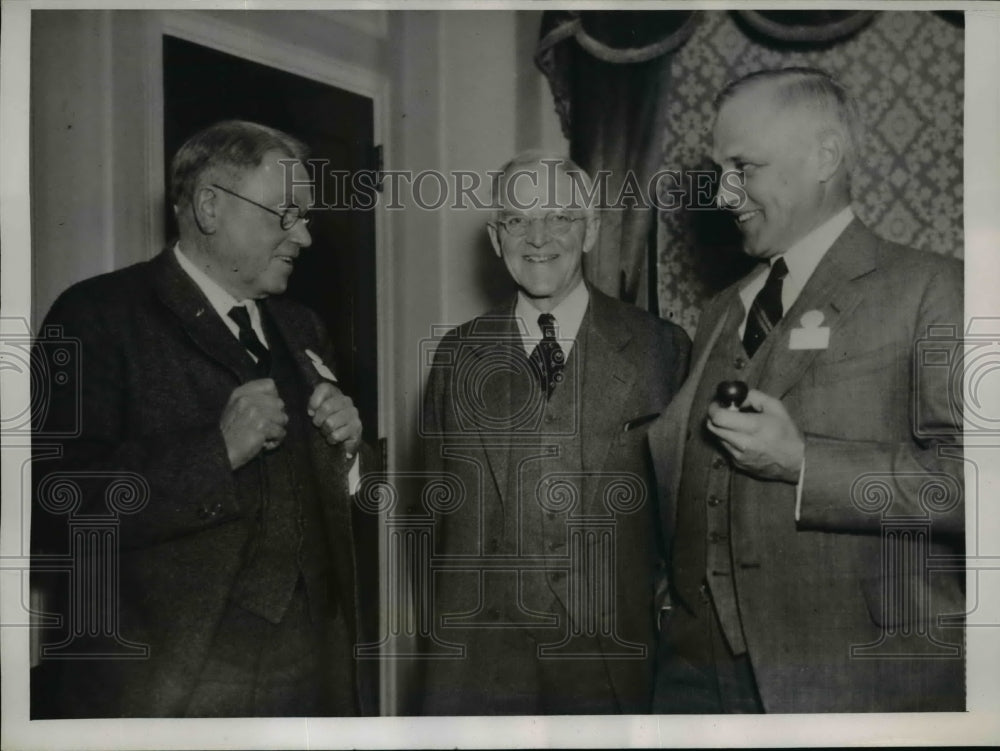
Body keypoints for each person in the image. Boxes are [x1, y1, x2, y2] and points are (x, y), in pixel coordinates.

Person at [649, 68, 964, 713]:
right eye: (718, 170)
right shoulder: (720, 311)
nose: (725, 192)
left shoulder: (933, 289)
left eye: (744, 166)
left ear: (825, 156)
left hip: (851, 682)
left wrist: (804, 464)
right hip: (694, 680)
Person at [31, 120, 367, 717]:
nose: (305, 237)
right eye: (285, 214)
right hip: (166, 687)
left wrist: (347, 455)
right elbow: (52, 508)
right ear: (210, 206)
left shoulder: (303, 328)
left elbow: (322, 503)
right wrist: (216, 452)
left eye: (306, 217)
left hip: (309, 677)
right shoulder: (96, 316)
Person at [415, 153, 691, 714]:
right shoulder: (456, 356)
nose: (537, 238)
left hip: (612, 657)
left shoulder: (662, 348)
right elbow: (437, 512)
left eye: (560, 217)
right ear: (496, 238)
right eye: (517, 220)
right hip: (482, 662)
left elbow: (684, 514)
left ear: (589, 231)